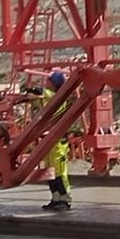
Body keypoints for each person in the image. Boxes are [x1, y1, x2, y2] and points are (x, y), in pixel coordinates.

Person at [41, 70, 74, 212]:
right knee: (51, 171)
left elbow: (43, 94)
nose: (46, 82)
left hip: (58, 142)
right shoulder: (53, 96)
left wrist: (31, 91)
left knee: (60, 172)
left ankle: (65, 199)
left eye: (49, 80)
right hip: (51, 141)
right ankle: (55, 199)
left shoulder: (56, 97)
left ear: (54, 84)